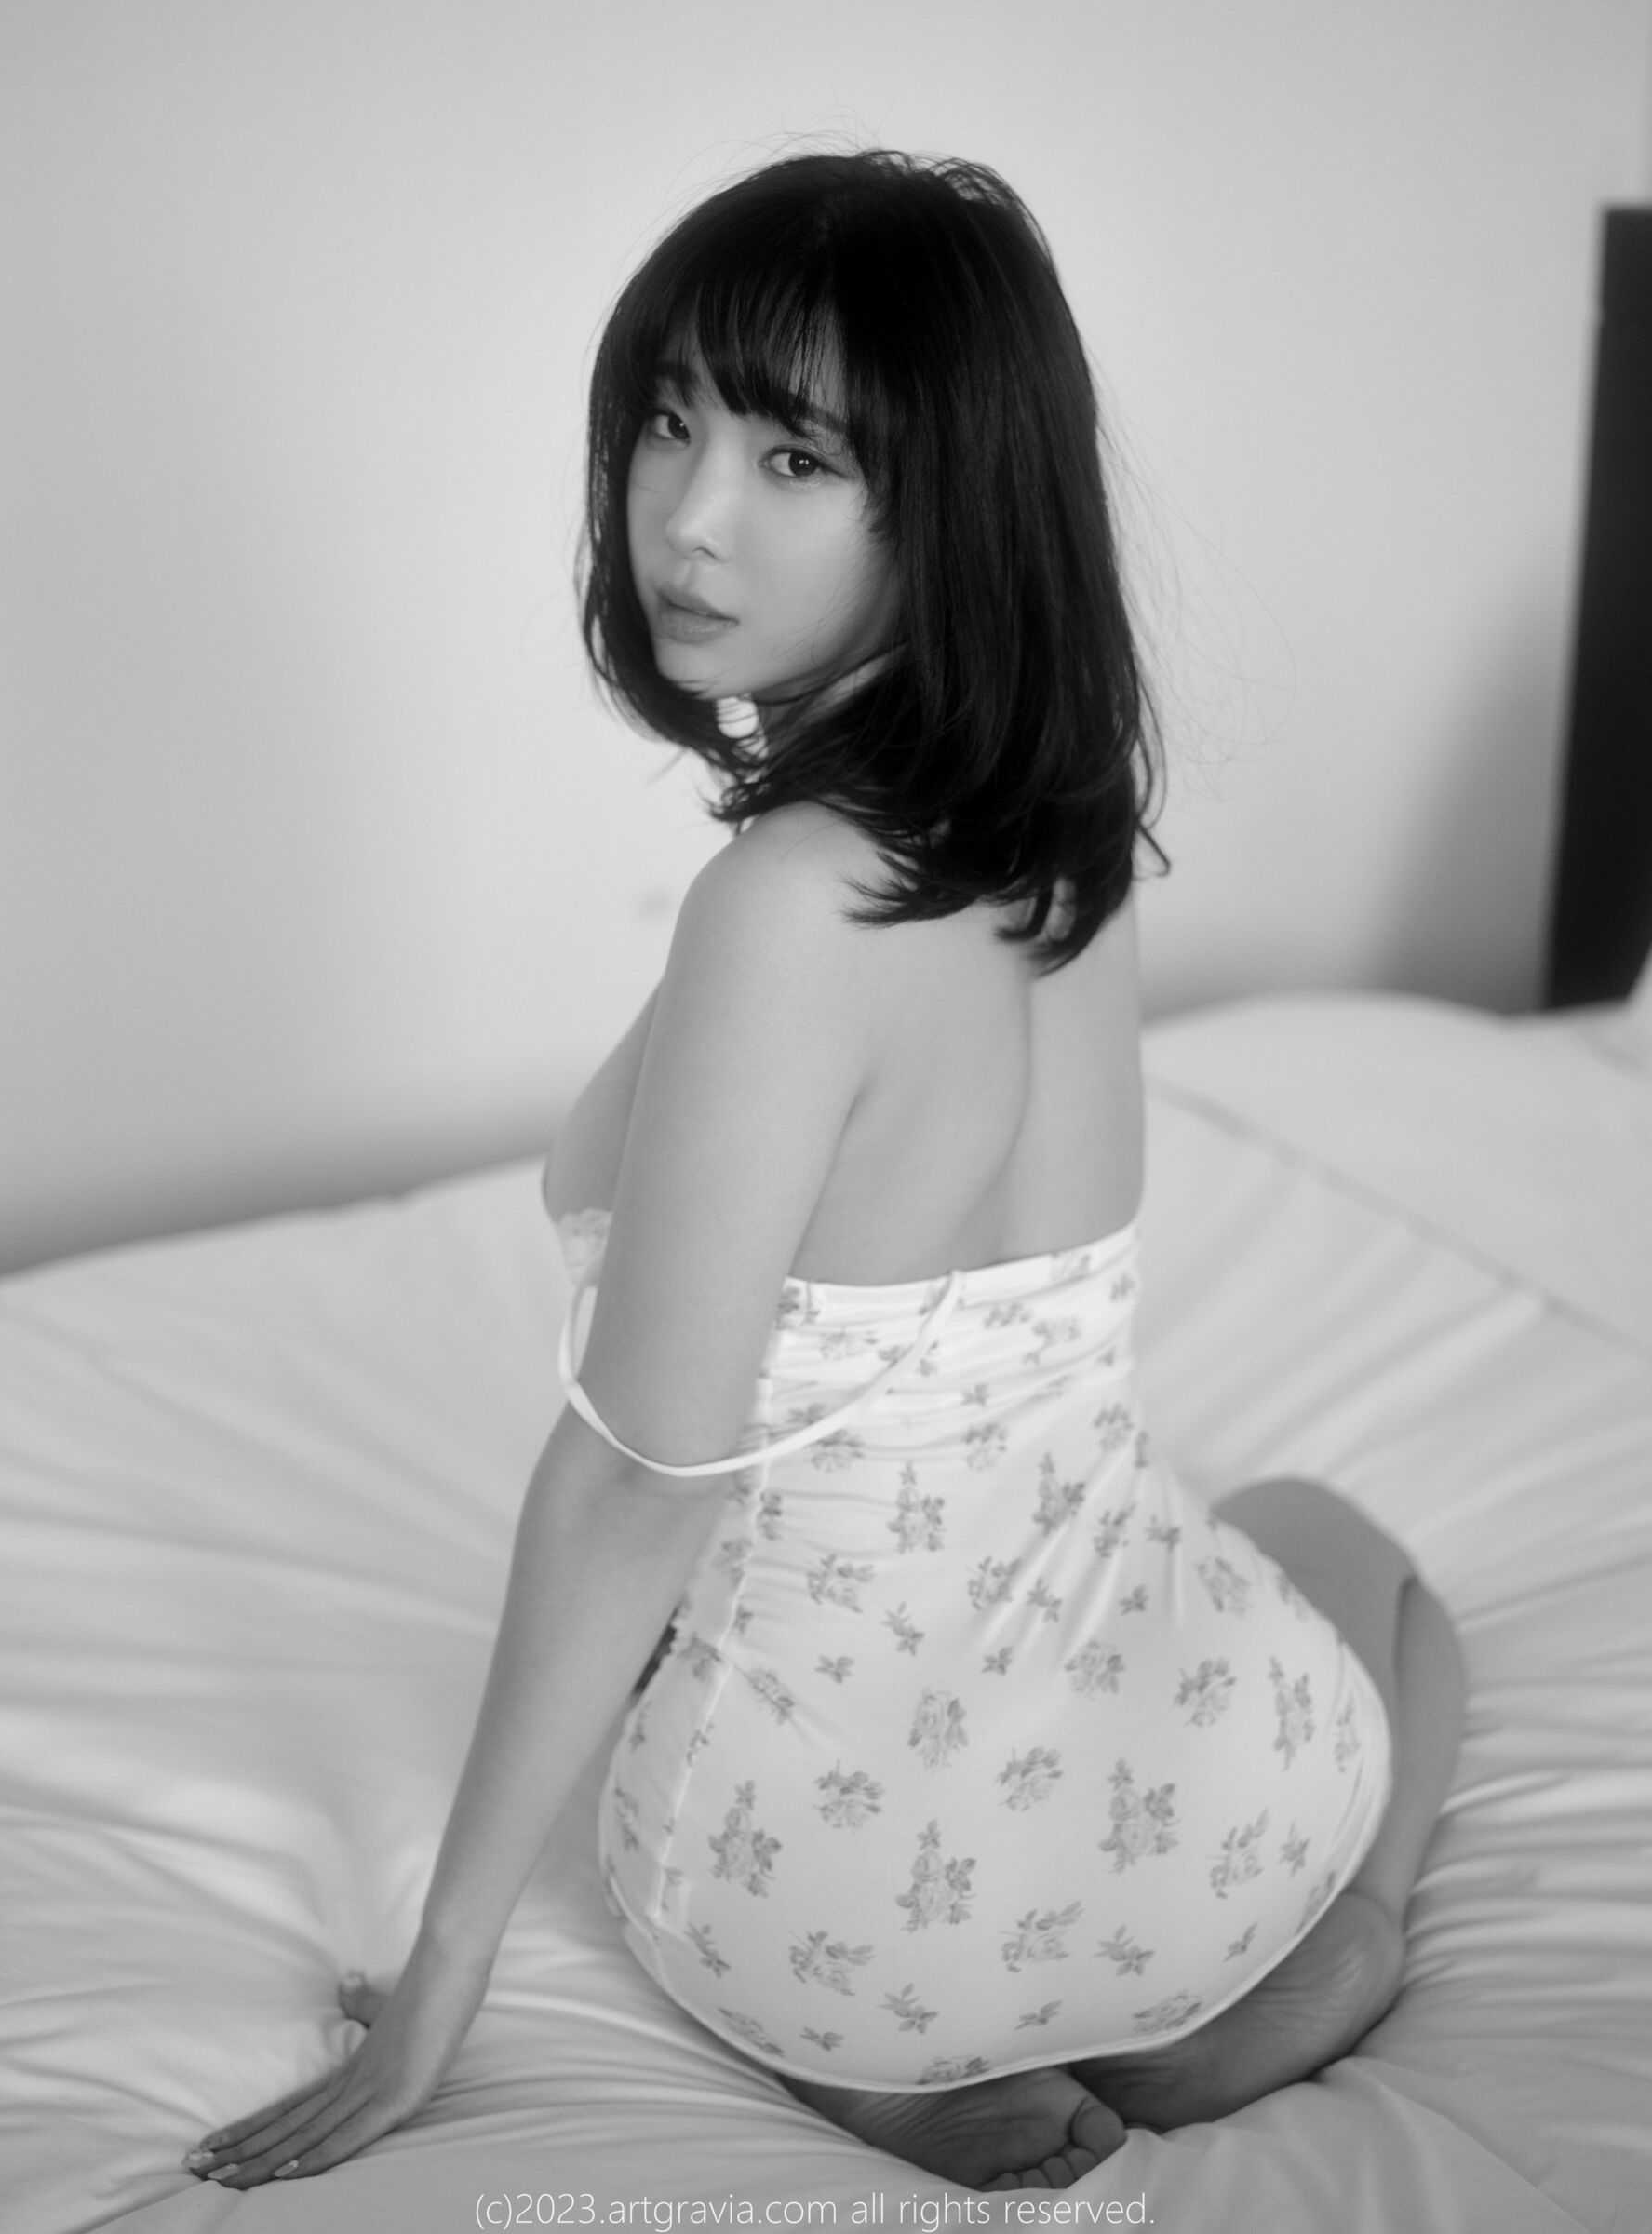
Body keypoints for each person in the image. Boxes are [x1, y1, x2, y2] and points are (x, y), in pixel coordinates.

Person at [184, 149, 1465, 2195]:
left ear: (949, 503)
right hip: (1213, 1821)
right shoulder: (1066, 831)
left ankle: (913, 2071)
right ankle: (1339, 1925)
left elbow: (636, 1477)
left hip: (847, 1921)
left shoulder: (788, 908)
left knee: (770, 1674)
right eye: (668, 422)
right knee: (1339, 1541)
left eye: (796, 457)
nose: (688, 516)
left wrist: (443, 1973)